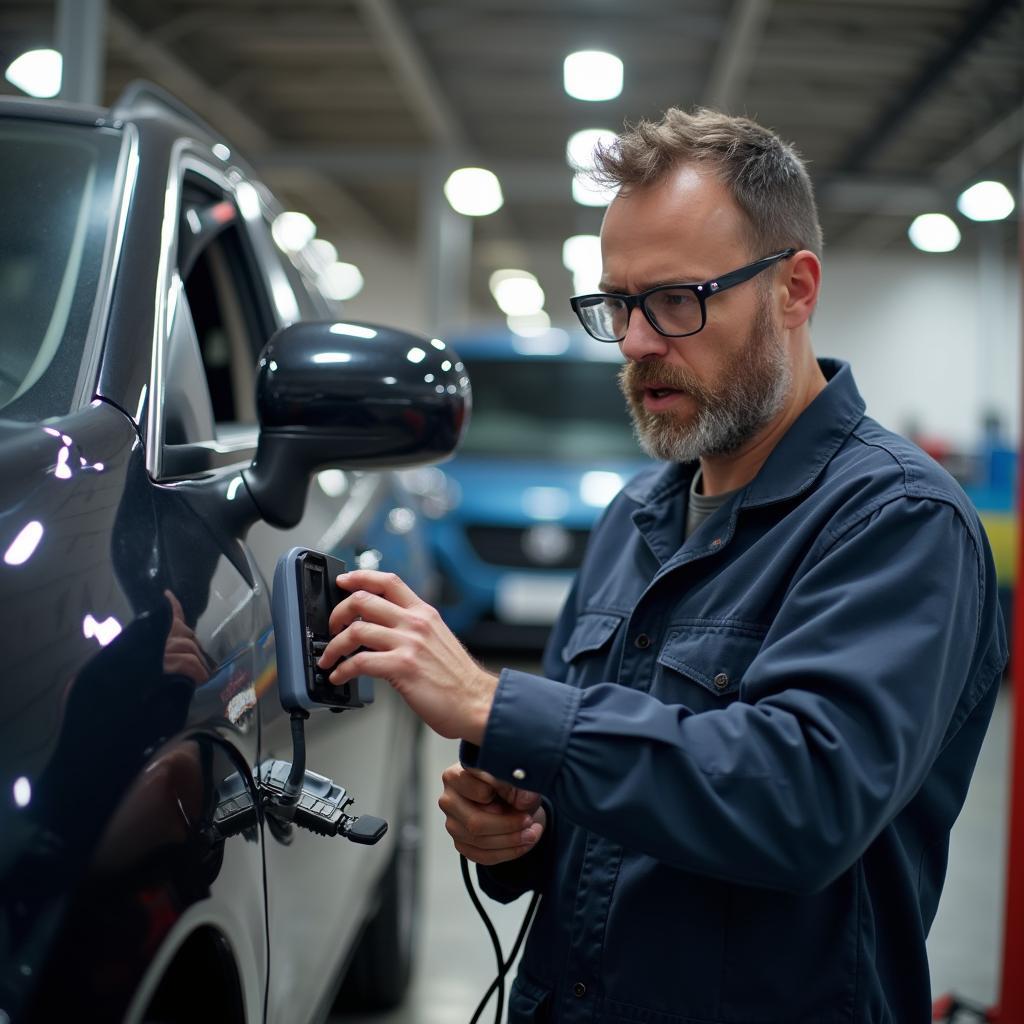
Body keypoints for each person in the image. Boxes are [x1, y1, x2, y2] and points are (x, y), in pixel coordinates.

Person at [316, 108, 1007, 1023]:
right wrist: (519, 833)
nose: (638, 342)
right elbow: (606, 798)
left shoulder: (898, 521)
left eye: (676, 300)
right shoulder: (636, 516)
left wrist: (495, 706)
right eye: (618, 305)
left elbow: (804, 800)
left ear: (794, 289)